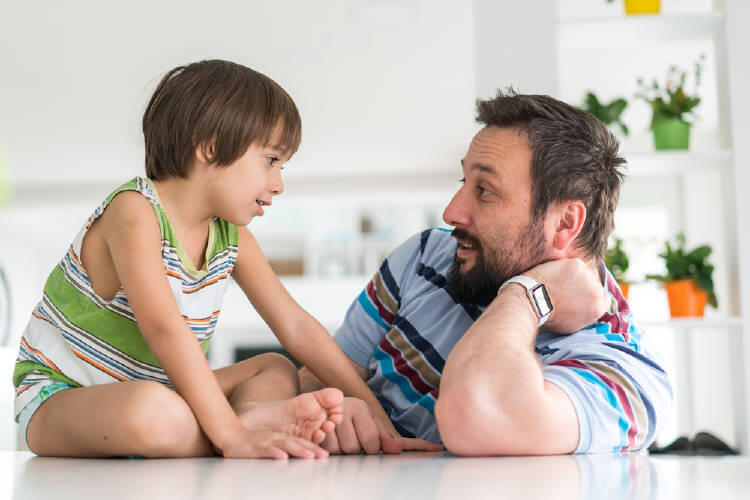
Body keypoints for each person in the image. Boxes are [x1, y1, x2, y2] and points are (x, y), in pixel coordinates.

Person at [11, 59, 410, 459]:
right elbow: (164, 328)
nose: (279, 183)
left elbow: (297, 326)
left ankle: (247, 423)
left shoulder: (230, 235)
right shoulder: (134, 211)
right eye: (271, 160)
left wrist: (380, 420)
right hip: (62, 398)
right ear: (210, 146)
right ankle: (237, 432)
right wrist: (230, 434)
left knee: (274, 367)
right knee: (154, 412)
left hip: (163, 396)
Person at [300, 89, 673, 455]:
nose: (451, 213)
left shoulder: (624, 373)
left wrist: (529, 295)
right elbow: (311, 383)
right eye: (464, 182)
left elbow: (475, 416)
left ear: (565, 223)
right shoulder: (428, 255)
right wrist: (329, 412)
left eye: (485, 191)